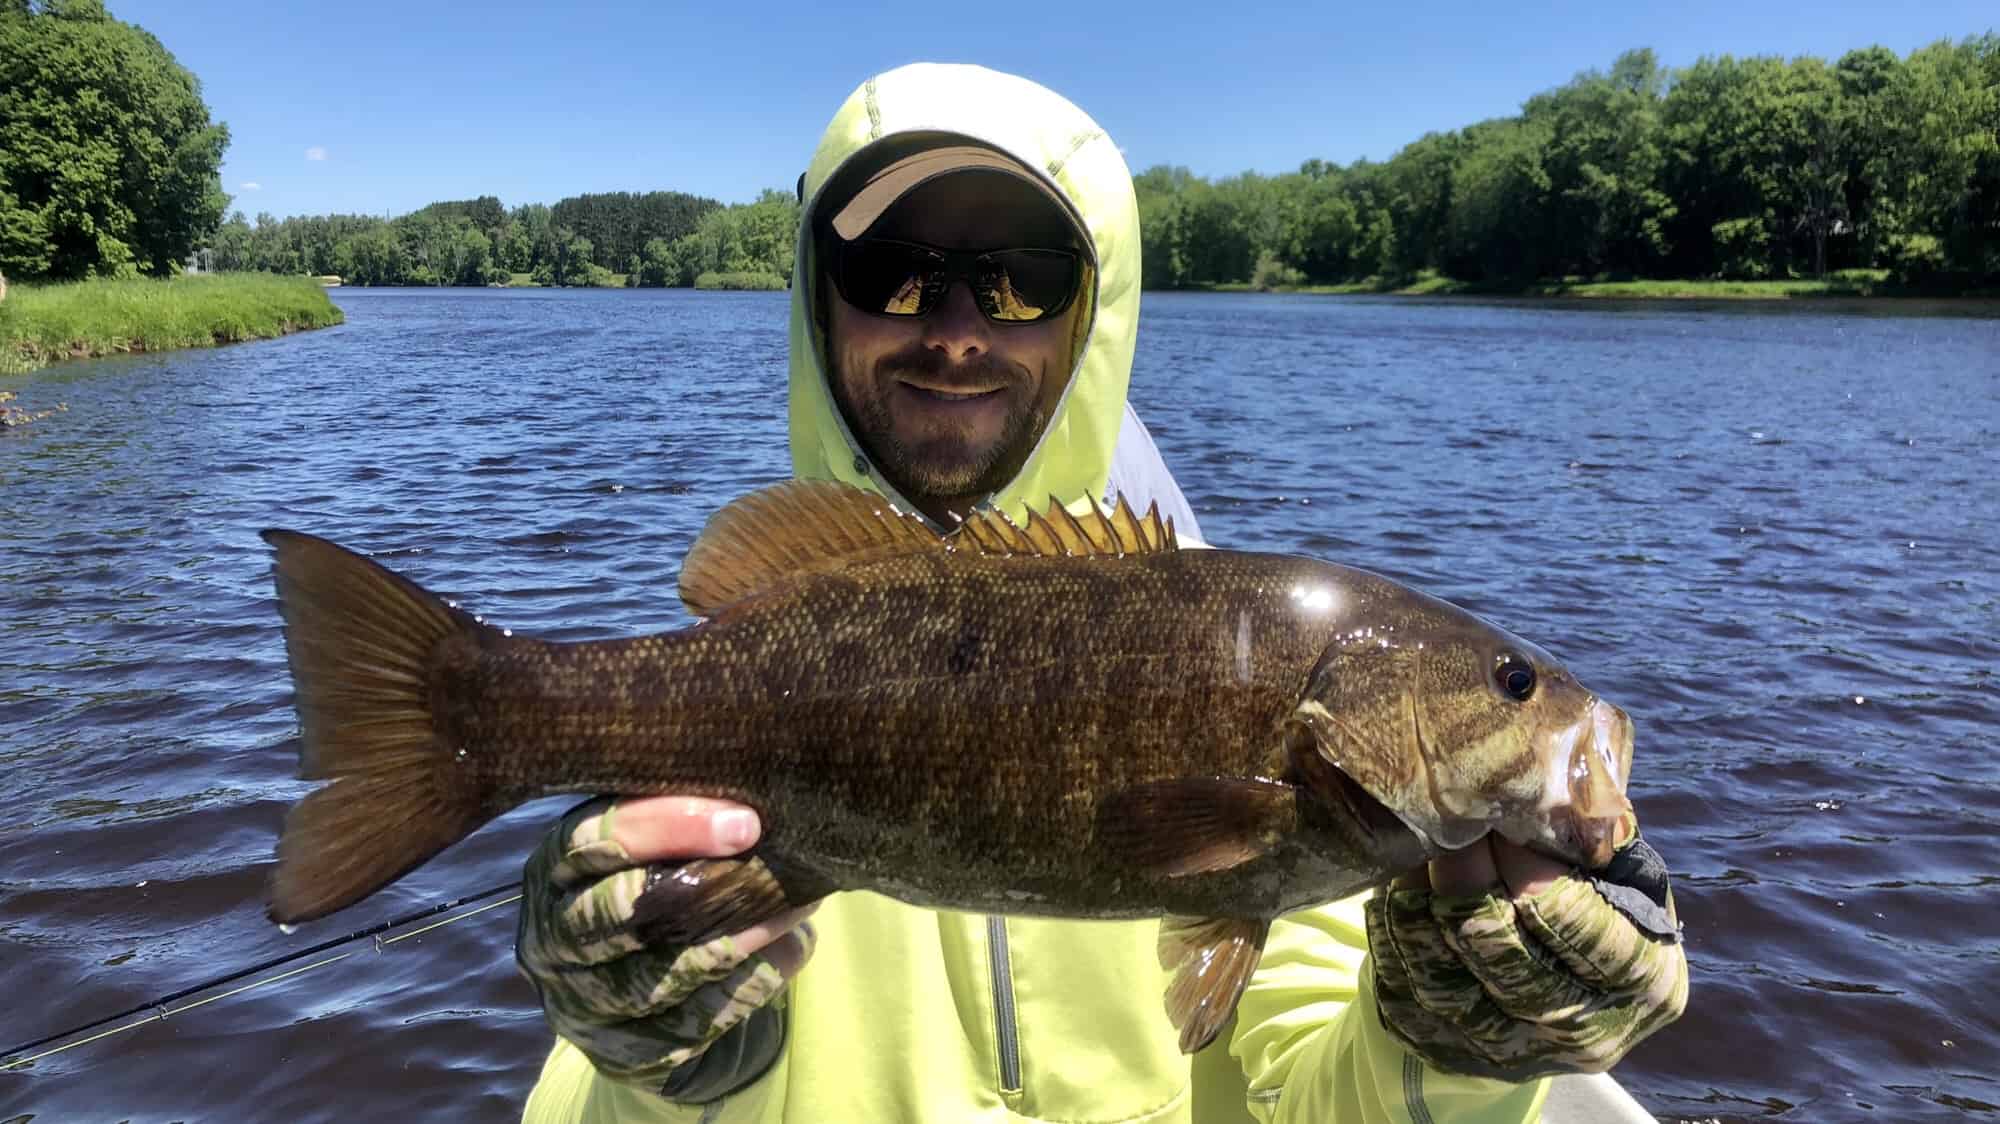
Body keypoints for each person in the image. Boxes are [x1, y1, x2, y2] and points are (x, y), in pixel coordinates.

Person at [517, 63, 1687, 1124]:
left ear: (1093, 315)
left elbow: (1310, 1085)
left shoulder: (1245, 643)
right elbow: (581, 1098)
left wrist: (1464, 1053)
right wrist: (658, 1065)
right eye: (891, 272)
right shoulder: (794, 622)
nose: (959, 333)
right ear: (816, 299)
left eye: (1021, 282)